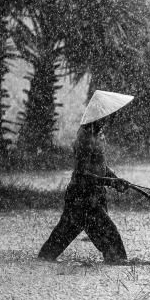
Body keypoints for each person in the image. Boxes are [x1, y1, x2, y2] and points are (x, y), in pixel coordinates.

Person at [37, 90, 134, 264]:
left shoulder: (95, 136)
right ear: (99, 117)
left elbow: (99, 167)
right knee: (114, 245)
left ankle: (42, 261)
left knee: (55, 244)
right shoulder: (85, 139)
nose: (108, 120)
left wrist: (114, 178)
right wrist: (110, 182)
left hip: (88, 199)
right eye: (106, 117)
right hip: (83, 201)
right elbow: (83, 175)